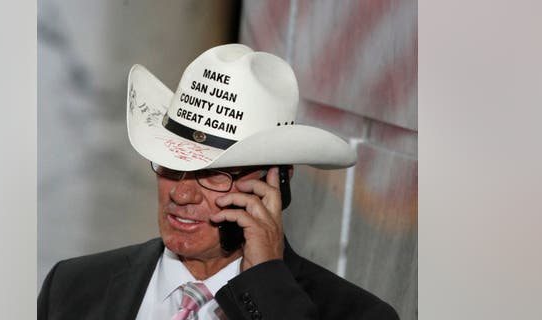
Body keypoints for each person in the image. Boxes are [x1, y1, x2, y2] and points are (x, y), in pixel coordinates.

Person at [38, 44, 399, 320]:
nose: (180, 193)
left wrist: (268, 290)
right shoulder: (72, 288)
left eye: (215, 175)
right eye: (169, 165)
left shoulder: (357, 315)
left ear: (278, 183)